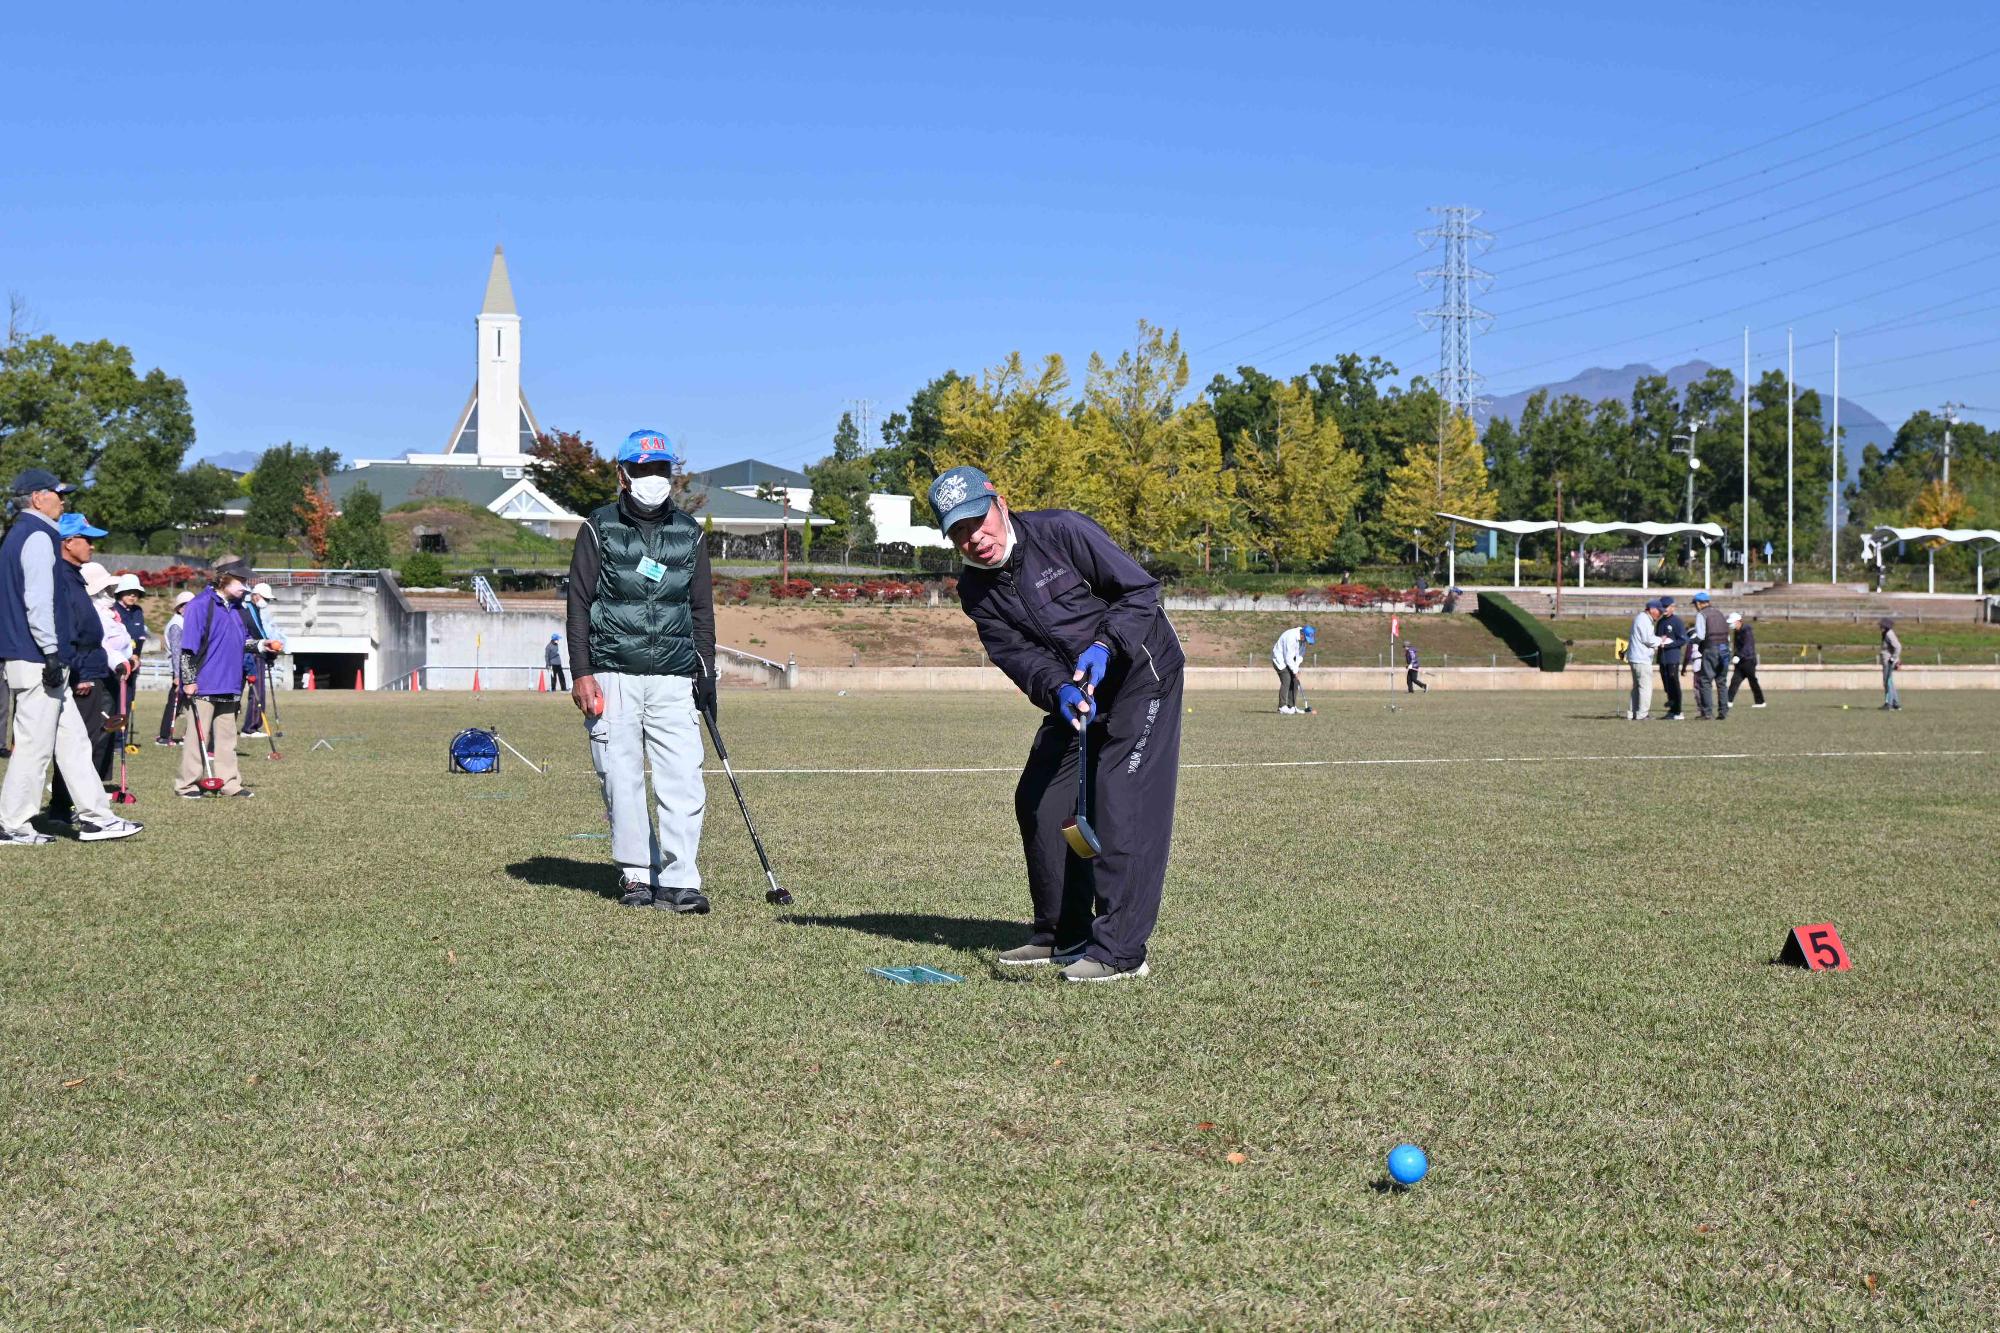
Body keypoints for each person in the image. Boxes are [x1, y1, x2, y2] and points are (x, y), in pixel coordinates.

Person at [929, 464, 1184, 984]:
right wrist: (1059, 688)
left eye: (977, 522)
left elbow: (1140, 592)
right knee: (1042, 801)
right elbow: (1018, 656)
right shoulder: (975, 592)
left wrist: (1103, 645)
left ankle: (1120, 951)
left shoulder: (1063, 531)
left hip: (1141, 674)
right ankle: (1062, 933)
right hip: (1077, 693)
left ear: (999, 504)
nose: (973, 539)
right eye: (958, 532)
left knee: (1121, 803)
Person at [565, 429, 717, 913]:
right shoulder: (597, 527)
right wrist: (582, 672)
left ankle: (680, 879)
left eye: (662, 469)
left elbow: (701, 610)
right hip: (613, 673)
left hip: (674, 675)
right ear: (623, 473)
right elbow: (579, 603)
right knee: (619, 774)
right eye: (645, 468)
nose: (654, 478)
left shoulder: (690, 533)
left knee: (683, 779)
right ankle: (636, 875)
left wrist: (706, 672)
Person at [0, 475, 140, 845]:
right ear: (37, 497)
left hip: (35, 656)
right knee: (35, 745)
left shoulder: (22, 534)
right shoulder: (37, 536)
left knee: (75, 742)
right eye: (58, 496)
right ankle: (12, 823)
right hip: (38, 657)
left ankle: (98, 817)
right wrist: (49, 652)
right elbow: (38, 602)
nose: (63, 502)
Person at [46, 559, 135, 829]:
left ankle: (77, 802)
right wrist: (104, 666)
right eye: (105, 588)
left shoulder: (106, 613)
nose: (110, 593)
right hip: (90, 678)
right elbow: (89, 644)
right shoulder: (89, 611)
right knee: (81, 744)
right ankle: (64, 804)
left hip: (104, 679)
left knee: (96, 742)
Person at [176, 570, 257, 798]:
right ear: (224, 579)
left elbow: (244, 642)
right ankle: (188, 784)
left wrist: (262, 646)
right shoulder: (200, 605)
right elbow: (188, 648)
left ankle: (229, 783)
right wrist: (189, 679)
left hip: (231, 683)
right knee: (196, 737)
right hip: (204, 683)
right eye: (241, 581)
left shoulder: (239, 608)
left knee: (228, 738)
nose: (245, 587)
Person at [239, 582, 285, 737]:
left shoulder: (255, 608)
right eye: (267, 599)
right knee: (257, 691)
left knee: (253, 691)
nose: (268, 602)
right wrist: (268, 647)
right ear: (256, 595)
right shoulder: (247, 607)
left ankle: (251, 726)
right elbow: (257, 630)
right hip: (252, 653)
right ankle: (250, 728)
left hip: (255, 650)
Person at [155, 589, 195, 744]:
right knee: (175, 703)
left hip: (188, 668)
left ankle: (186, 735)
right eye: (188, 606)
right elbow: (177, 652)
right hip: (180, 670)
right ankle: (164, 736)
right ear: (180, 608)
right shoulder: (176, 625)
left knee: (187, 703)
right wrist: (178, 676)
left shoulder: (186, 622)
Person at [1688, 590, 1730, 721]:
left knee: (1705, 681)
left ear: (1699, 604)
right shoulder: (1719, 613)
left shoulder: (1702, 615)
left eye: (1695, 604)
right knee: (1721, 682)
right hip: (1725, 649)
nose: (1695, 606)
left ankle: (1707, 713)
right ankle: (1723, 711)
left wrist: (1690, 640)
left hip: (1711, 649)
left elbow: (1700, 635)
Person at [1624, 599, 1662, 721]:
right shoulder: (1644, 620)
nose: (1660, 614)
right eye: (1659, 611)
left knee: (1637, 687)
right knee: (1645, 687)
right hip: (1641, 658)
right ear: (1652, 609)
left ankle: (1632, 713)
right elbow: (1648, 639)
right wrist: (1661, 640)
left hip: (1636, 657)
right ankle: (1642, 714)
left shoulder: (1641, 618)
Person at [1655, 595, 1688, 721]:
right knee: (1667, 685)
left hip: (1672, 658)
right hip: (1662, 658)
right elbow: (1657, 638)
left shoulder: (1677, 622)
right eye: (1662, 607)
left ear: (1673, 608)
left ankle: (1678, 711)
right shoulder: (1660, 622)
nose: (1664, 609)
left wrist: (1670, 644)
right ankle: (1672, 709)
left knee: (1674, 683)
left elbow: (1683, 640)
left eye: (1666, 607)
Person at [1726, 612, 1766, 708]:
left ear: (1738, 622)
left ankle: (1760, 702)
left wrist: (1739, 656)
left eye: (1732, 622)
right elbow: (1737, 646)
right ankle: (1728, 701)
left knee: (1753, 681)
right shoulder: (1737, 631)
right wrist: (1735, 655)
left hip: (1749, 660)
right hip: (1740, 661)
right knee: (1735, 680)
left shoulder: (1746, 630)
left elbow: (1747, 646)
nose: (1730, 625)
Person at [1270, 624, 1313, 714]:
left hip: (1289, 661)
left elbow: (1300, 655)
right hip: (1279, 659)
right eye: (1306, 639)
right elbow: (1288, 657)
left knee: (1295, 681)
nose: (1306, 642)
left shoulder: (1303, 640)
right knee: (1287, 679)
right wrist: (1295, 670)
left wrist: (1296, 668)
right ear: (1302, 635)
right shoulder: (1290, 637)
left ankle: (1292, 706)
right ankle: (1282, 707)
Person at [1878, 617, 1903, 711]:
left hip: (1889, 662)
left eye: (1881, 624)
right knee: (1889, 682)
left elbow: (1898, 647)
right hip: (1887, 661)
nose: (1880, 626)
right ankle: (1895, 703)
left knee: (1887, 682)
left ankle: (1889, 703)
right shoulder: (1886, 634)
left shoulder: (1889, 634)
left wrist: (1893, 659)